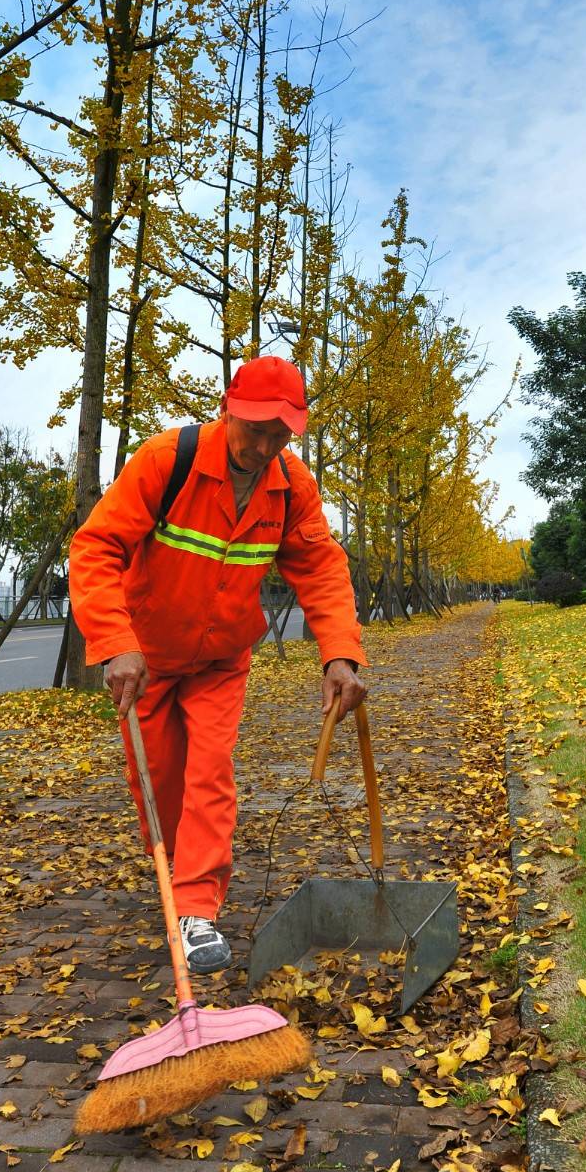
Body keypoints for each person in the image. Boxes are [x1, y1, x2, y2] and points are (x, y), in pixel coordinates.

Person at [68, 356, 368, 972]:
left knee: (210, 771)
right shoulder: (165, 460)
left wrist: (339, 653)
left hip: (223, 658)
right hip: (146, 658)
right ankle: (179, 870)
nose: (264, 447)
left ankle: (197, 910)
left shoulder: (292, 484)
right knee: (161, 777)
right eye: (254, 429)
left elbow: (320, 567)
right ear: (227, 407)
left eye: (279, 435)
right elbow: (96, 547)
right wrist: (114, 641)